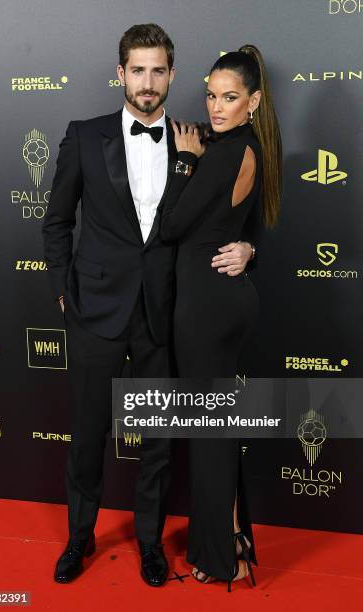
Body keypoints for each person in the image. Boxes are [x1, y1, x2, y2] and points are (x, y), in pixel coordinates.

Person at [42, 24, 255, 587]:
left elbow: (229, 218)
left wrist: (249, 247)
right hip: (95, 310)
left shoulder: (199, 144)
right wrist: (64, 287)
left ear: (173, 76)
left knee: (157, 438)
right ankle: (79, 537)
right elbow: (58, 222)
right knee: (88, 434)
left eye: (158, 69)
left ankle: (150, 543)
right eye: (137, 69)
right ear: (121, 74)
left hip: (164, 311)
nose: (148, 81)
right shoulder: (84, 137)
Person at [160, 45, 282, 591]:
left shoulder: (225, 152)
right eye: (211, 96)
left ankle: (219, 558)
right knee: (219, 428)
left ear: (252, 102)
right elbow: (245, 225)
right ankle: (232, 537)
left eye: (229, 98)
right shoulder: (250, 147)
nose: (215, 108)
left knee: (208, 434)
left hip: (207, 309)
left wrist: (185, 160)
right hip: (227, 301)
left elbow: (172, 225)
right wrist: (250, 250)